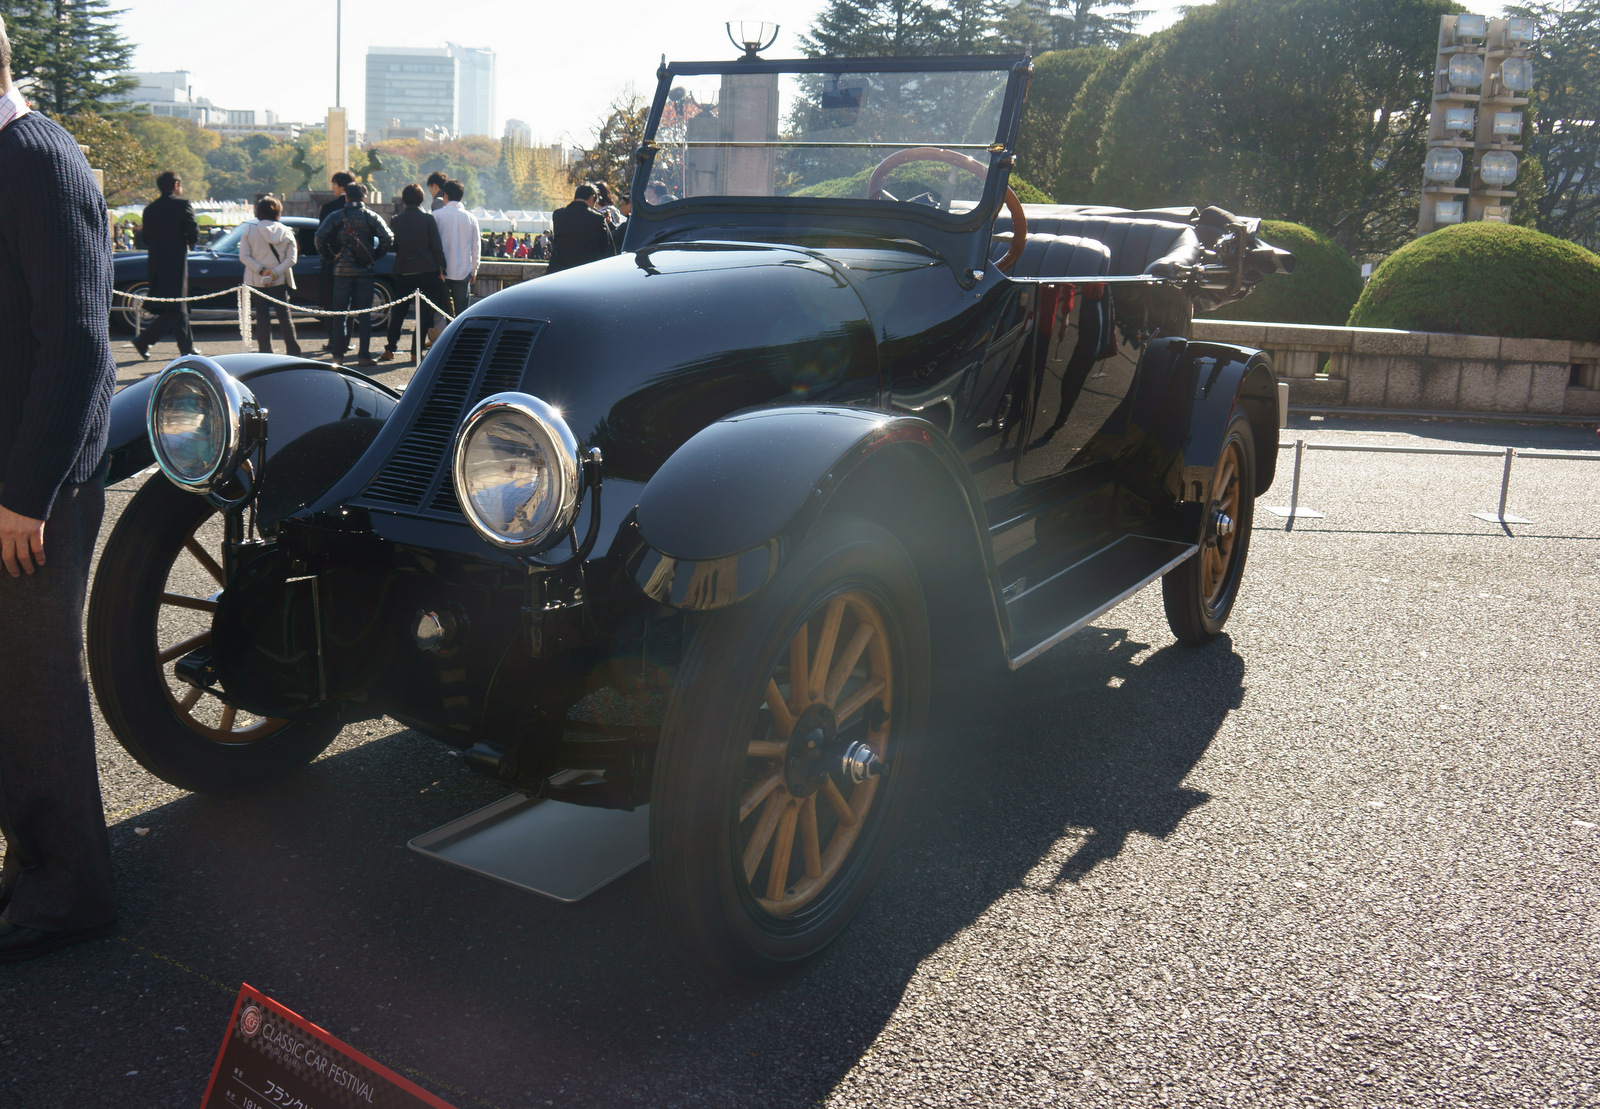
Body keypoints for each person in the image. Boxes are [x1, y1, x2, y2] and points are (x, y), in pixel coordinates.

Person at [0, 14, 119, 963]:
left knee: (35, 685)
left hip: (29, 484)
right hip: (12, 474)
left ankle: (71, 891)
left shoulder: (37, 159)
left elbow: (79, 345)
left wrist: (25, 493)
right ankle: (34, 864)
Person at [314, 182, 392, 367]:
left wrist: (331, 257)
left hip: (341, 271)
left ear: (346, 197)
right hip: (365, 271)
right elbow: (388, 238)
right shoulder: (371, 216)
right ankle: (364, 356)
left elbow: (319, 237)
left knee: (340, 314)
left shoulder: (336, 216)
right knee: (364, 315)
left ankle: (338, 356)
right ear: (364, 198)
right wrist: (373, 255)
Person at [132, 170, 199, 360]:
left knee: (178, 305)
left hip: (156, 261)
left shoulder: (150, 209)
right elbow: (192, 228)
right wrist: (192, 241)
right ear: (176, 185)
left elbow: (145, 237)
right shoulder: (182, 204)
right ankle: (144, 339)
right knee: (175, 307)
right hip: (176, 261)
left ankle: (187, 348)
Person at [380, 183, 447, 362]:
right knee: (424, 314)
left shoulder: (396, 220)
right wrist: (442, 268)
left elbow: (393, 246)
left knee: (398, 312)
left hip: (403, 271)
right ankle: (415, 352)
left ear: (403, 199)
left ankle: (390, 349)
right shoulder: (428, 219)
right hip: (427, 270)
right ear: (421, 199)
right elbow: (436, 246)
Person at [239, 196, 302, 356]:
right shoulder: (286, 231)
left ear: (259, 212)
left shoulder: (249, 230)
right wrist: (275, 272)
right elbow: (292, 259)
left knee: (262, 317)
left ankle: (265, 351)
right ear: (278, 212)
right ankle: (293, 351)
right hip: (279, 280)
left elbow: (244, 256)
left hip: (256, 280)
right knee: (285, 317)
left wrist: (261, 270)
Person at [432, 179, 480, 333]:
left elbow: (432, 244)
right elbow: (476, 247)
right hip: (462, 270)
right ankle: (461, 339)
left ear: (445, 195)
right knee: (462, 312)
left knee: (441, 311)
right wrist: (474, 269)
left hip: (441, 271)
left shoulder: (436, 215)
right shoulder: (471, 218)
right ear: (461, 196)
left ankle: (442, 339)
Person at [548, 183, 614, 273]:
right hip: (587, 271)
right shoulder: (597, 218)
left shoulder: (558, 215)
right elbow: (608, 247)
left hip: (561, 270)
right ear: (592, 197)